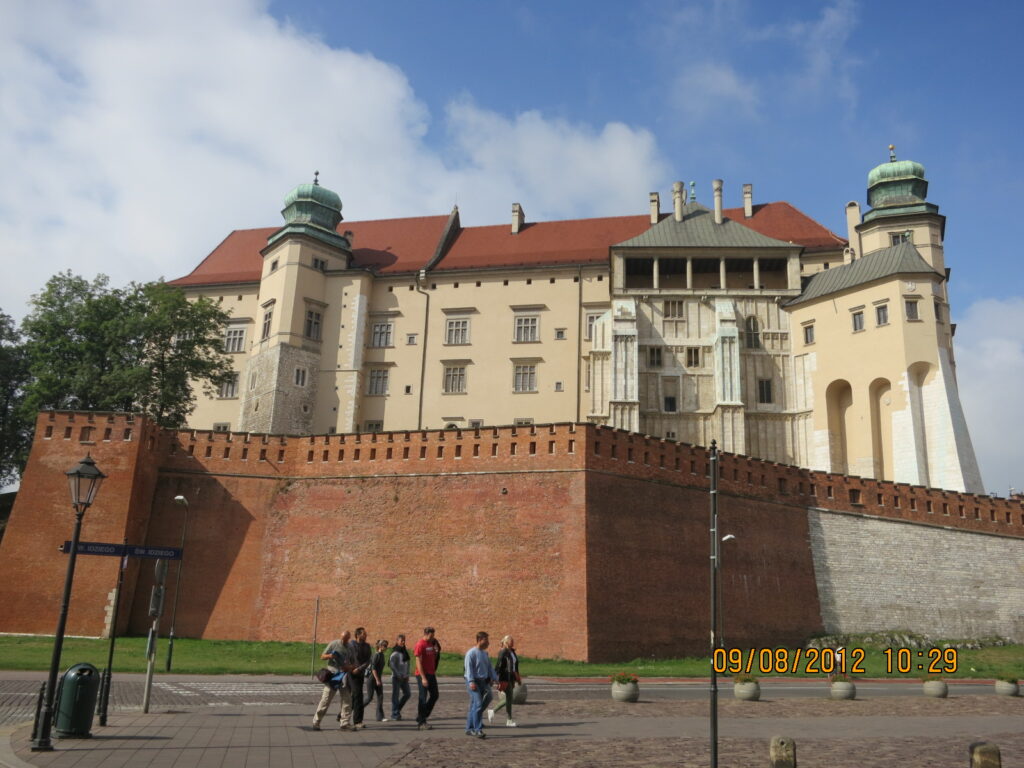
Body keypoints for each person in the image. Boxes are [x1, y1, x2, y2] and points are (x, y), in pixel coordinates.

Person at [313, 630, 355, 730]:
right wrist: (329, 656)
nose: (344, 641)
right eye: (343, 639)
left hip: (344, 676)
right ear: (341, 637)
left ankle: (345, 723)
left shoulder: (350, 647)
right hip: (333, 676)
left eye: (346, 639)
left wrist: (349, 667)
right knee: (326, 700)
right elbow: (322, 656)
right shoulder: (334, 644)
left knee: (347, 699)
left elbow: (354, 663)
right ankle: (316, 722)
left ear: (349, 638)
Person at [464, 630, 497, 738]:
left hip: (483, 681)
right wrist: (471, 682)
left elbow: (489, 667)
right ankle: (478, 729)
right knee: (478, 704)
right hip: (474, 681)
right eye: (486, 640)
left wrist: (494, 678)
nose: (488, 642)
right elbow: (468, 669)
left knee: (486, 699)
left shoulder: (484, 653)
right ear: (479, 640)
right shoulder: (471, 653)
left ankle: (469, 728)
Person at [488, 634, 522, 727]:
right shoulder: (503, 652)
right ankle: (496, 712)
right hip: (505, 677)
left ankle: (507, 719)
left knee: (509, 698)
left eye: (513, 641)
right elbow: (498, 666)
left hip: (511, 677)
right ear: (506, 642)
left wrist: (518, 677)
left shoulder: (512, 652)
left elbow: (515, 666)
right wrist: (494, 678)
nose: (513, 642)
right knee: (510, 698)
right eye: (511, 641)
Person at [414, 626, 441, 730]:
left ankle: (422, 715)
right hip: (422, 674)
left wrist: (436, 652)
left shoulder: (431, 644)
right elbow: (418, 662)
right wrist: (423, 678)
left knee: (435, 695)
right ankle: (421, 723)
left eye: (433, 635)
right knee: (423, 697)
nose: (433, 637)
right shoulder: (420, 644)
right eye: (431, 635)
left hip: (431, 673)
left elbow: (433, 657)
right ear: (426, 634)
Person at [349, 627, 373, 729]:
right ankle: (357, 721)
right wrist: (352, 668)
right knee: (358, 696)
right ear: (358, 635)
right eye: (364, 634)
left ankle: (342, 715)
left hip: (360, 673)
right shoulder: (351, 645)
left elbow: (368, 660)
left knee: (356, 696)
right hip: (351, 673)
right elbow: (347, 657)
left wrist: (360, 668)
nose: (366, 635)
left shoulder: (367, 646)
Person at [364, 639, 389, 721]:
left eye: (386, 646)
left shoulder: (382, 655)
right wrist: (377, 680)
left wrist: (379, 679)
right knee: (369, 698)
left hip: (378, 678)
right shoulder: (376, 655)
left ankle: (380, 717)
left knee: (380, 697)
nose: (386, 647)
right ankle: (357, 708)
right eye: (385, 646)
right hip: (372, 679)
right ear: (380, 646)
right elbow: (373, 669)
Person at [389, 634, 411, 720]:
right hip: (396, 678)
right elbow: (392, 665)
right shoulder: (395, 653)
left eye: (404, 640)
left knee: (408, 694)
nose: (403, 642)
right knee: (396, 696)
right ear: (397, 641)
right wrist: (398, 674)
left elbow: (408, 664)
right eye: (401, 641)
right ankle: (395, 714)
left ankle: (397, 709)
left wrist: (407, 675)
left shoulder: (404, 652)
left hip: (404, 677)